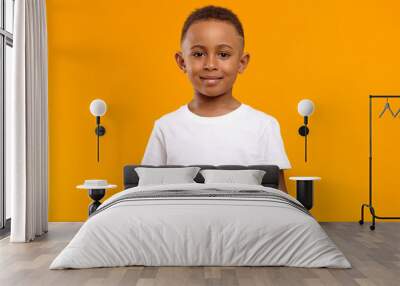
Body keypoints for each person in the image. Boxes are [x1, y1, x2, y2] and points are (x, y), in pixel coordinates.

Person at [141, 5, 291, 192]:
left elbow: (281, 202)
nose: (210, 65)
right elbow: (145, 196)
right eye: (198, 54)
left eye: (223, 54)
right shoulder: (166, 127)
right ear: (181, 62)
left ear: (241, 63)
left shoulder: (264, 126)